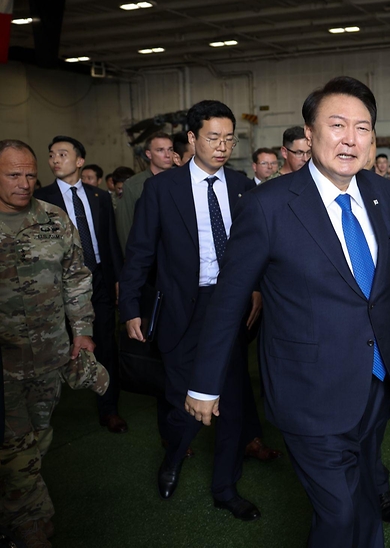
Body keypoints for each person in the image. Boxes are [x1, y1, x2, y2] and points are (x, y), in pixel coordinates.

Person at [184, 77, 390, 548]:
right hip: (309, 392)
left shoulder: (386, 196)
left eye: (362, 128)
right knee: (338, 513)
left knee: (362, 495)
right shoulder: (269, 205)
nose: (350, 139)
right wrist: (204, 382)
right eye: (336, 125)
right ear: (309, 132)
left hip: (377, 380)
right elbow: (230, 298)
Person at [119, 101, 261, 518]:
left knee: (232, 401)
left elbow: (255, 250)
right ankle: (173, 458)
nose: (222, 146)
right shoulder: (163, 189)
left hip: (230, 307)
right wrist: (130, 307)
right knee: (184, 402)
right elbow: (139, 253)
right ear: (192, 139)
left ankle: (225, 488)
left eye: (229, 138)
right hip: (183, 309)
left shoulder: (241, 185)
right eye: (213, 138)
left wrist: (255, 291)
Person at [0, 139, 96, 548]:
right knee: (15, 445)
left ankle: (22, 508)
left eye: (29, 174)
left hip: (50, 355)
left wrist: (83, 331)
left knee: (38, 439)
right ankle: (31, 523)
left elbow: (76, 277)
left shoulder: (54, 219)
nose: (24, 183)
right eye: (12, 175)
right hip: (4, 363)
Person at [35, 136, 126, 433]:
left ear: (80, 161)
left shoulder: (98, 196)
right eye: (51, 155)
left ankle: (109, 408)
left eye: (62, 154)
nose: (55, 159)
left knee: (105, 343)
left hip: (97, 276)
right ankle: (44, 414)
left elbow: (110, 241)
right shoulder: (41, 199)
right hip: (58, 282)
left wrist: (116, 280)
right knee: (54, 346)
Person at [115, 132, 175, 252]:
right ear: (149, 154)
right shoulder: (134, 185)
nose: (167, 155)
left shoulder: (181, 180)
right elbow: (125, 226)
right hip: (148, 256)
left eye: (170, 149)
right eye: (160, 150)